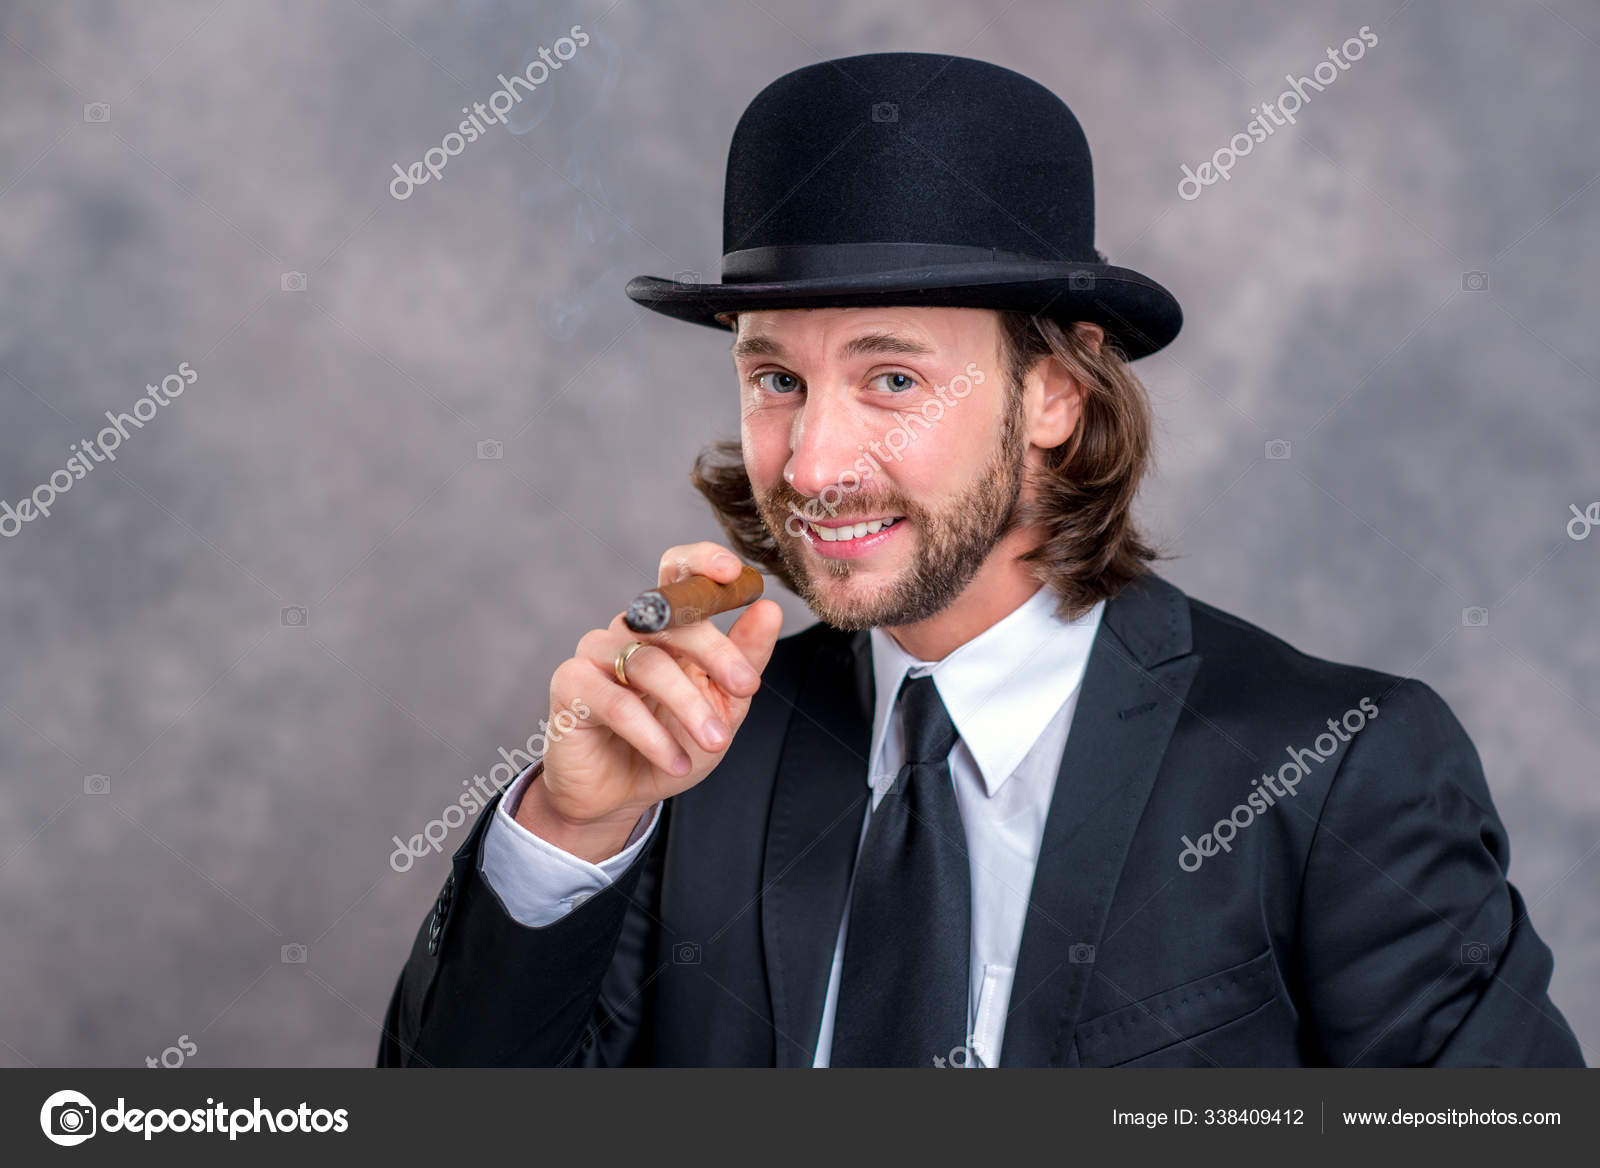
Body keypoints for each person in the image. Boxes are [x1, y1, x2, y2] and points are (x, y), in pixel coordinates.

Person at [376, 52, 1583, 1067]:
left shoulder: (1333, 772)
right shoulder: (693, 760)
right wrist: (568, 831)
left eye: (893, 377)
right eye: (776, 378)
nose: (810, 463)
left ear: (1054, 393)